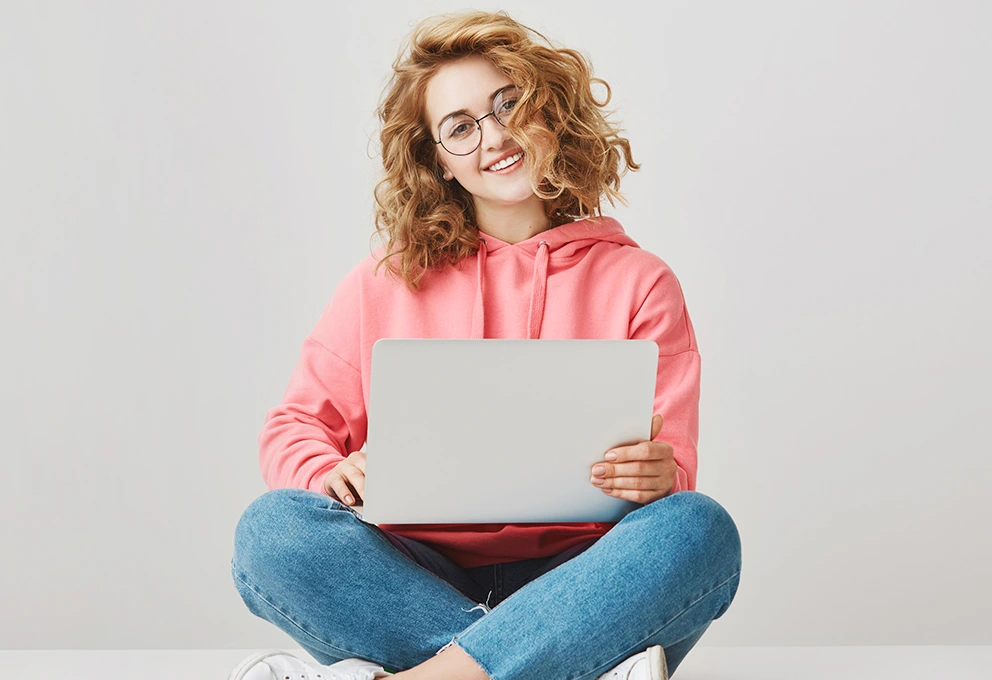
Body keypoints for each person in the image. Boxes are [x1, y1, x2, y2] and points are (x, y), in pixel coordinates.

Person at [227, 11, 741, 680]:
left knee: (700, 531)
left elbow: (673, 469)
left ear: (547, 111)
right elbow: (294, 426)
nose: (493, 137)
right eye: (460, 126)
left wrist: (657, 472)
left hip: (585, 580)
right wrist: (328, 471)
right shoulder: (384, 280)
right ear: (435, 157)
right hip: (411, 575)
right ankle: (556, 667)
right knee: (271, 531)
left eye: (509, 105)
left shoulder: (641, 282)